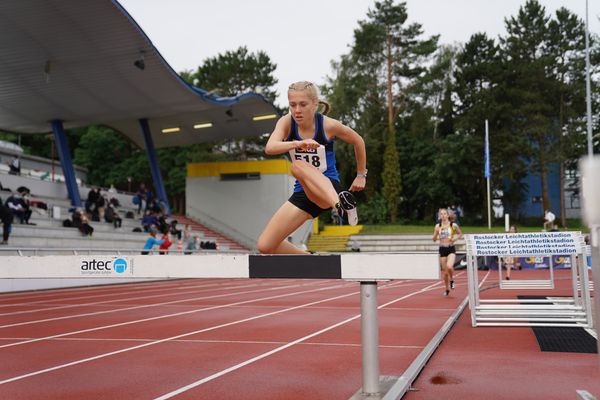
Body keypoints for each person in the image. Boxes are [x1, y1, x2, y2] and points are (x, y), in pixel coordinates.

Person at [256, 80, 367, 254]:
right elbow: (270, 147)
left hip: (328, 188)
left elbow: (358, 140)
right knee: (265, 245)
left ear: (315, 104)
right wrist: (297, 144)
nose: (297, 110)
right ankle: (309, 258)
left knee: (297, 166)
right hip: (304, 194)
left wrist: (361, 175)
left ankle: (340, 206)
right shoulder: (286, 122)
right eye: (292, 105)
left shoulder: (328, 125)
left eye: (302, 104)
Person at [433, 208, 463, 296]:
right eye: (441, 214)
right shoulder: (437, 226)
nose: (443, 215)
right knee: (445, 273)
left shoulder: (453, 225)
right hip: (442, 249)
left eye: (444, 214)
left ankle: (452, 279)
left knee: (450, 266)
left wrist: (454, 239)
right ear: (439, 216)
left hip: (451, 248)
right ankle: (447, 289)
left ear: (448, 215)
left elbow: (460, 234)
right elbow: (434, 239)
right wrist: (437, 238)